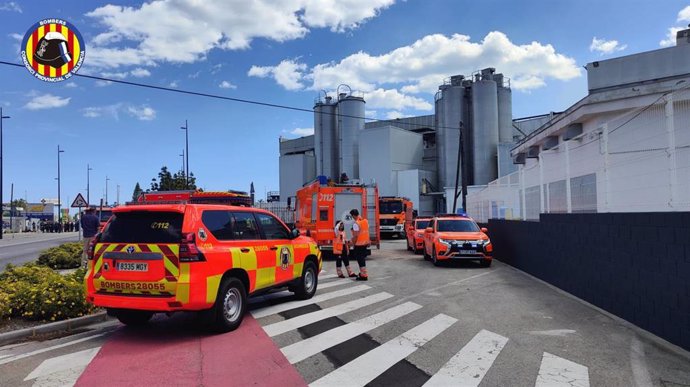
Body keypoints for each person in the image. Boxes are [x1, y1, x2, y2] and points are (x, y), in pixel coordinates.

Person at [349, 209, 370, 281]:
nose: (352, 218)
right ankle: (363, 273)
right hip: (365, 243)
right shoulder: (365, 221)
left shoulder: (356, 224)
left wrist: (352, 243)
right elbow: (367, 232)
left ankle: (364, 275)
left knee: (360, 259)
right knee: (362, 259)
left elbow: (355, 236)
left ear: (353, 215)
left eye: (352, 216)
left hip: (358, 244)